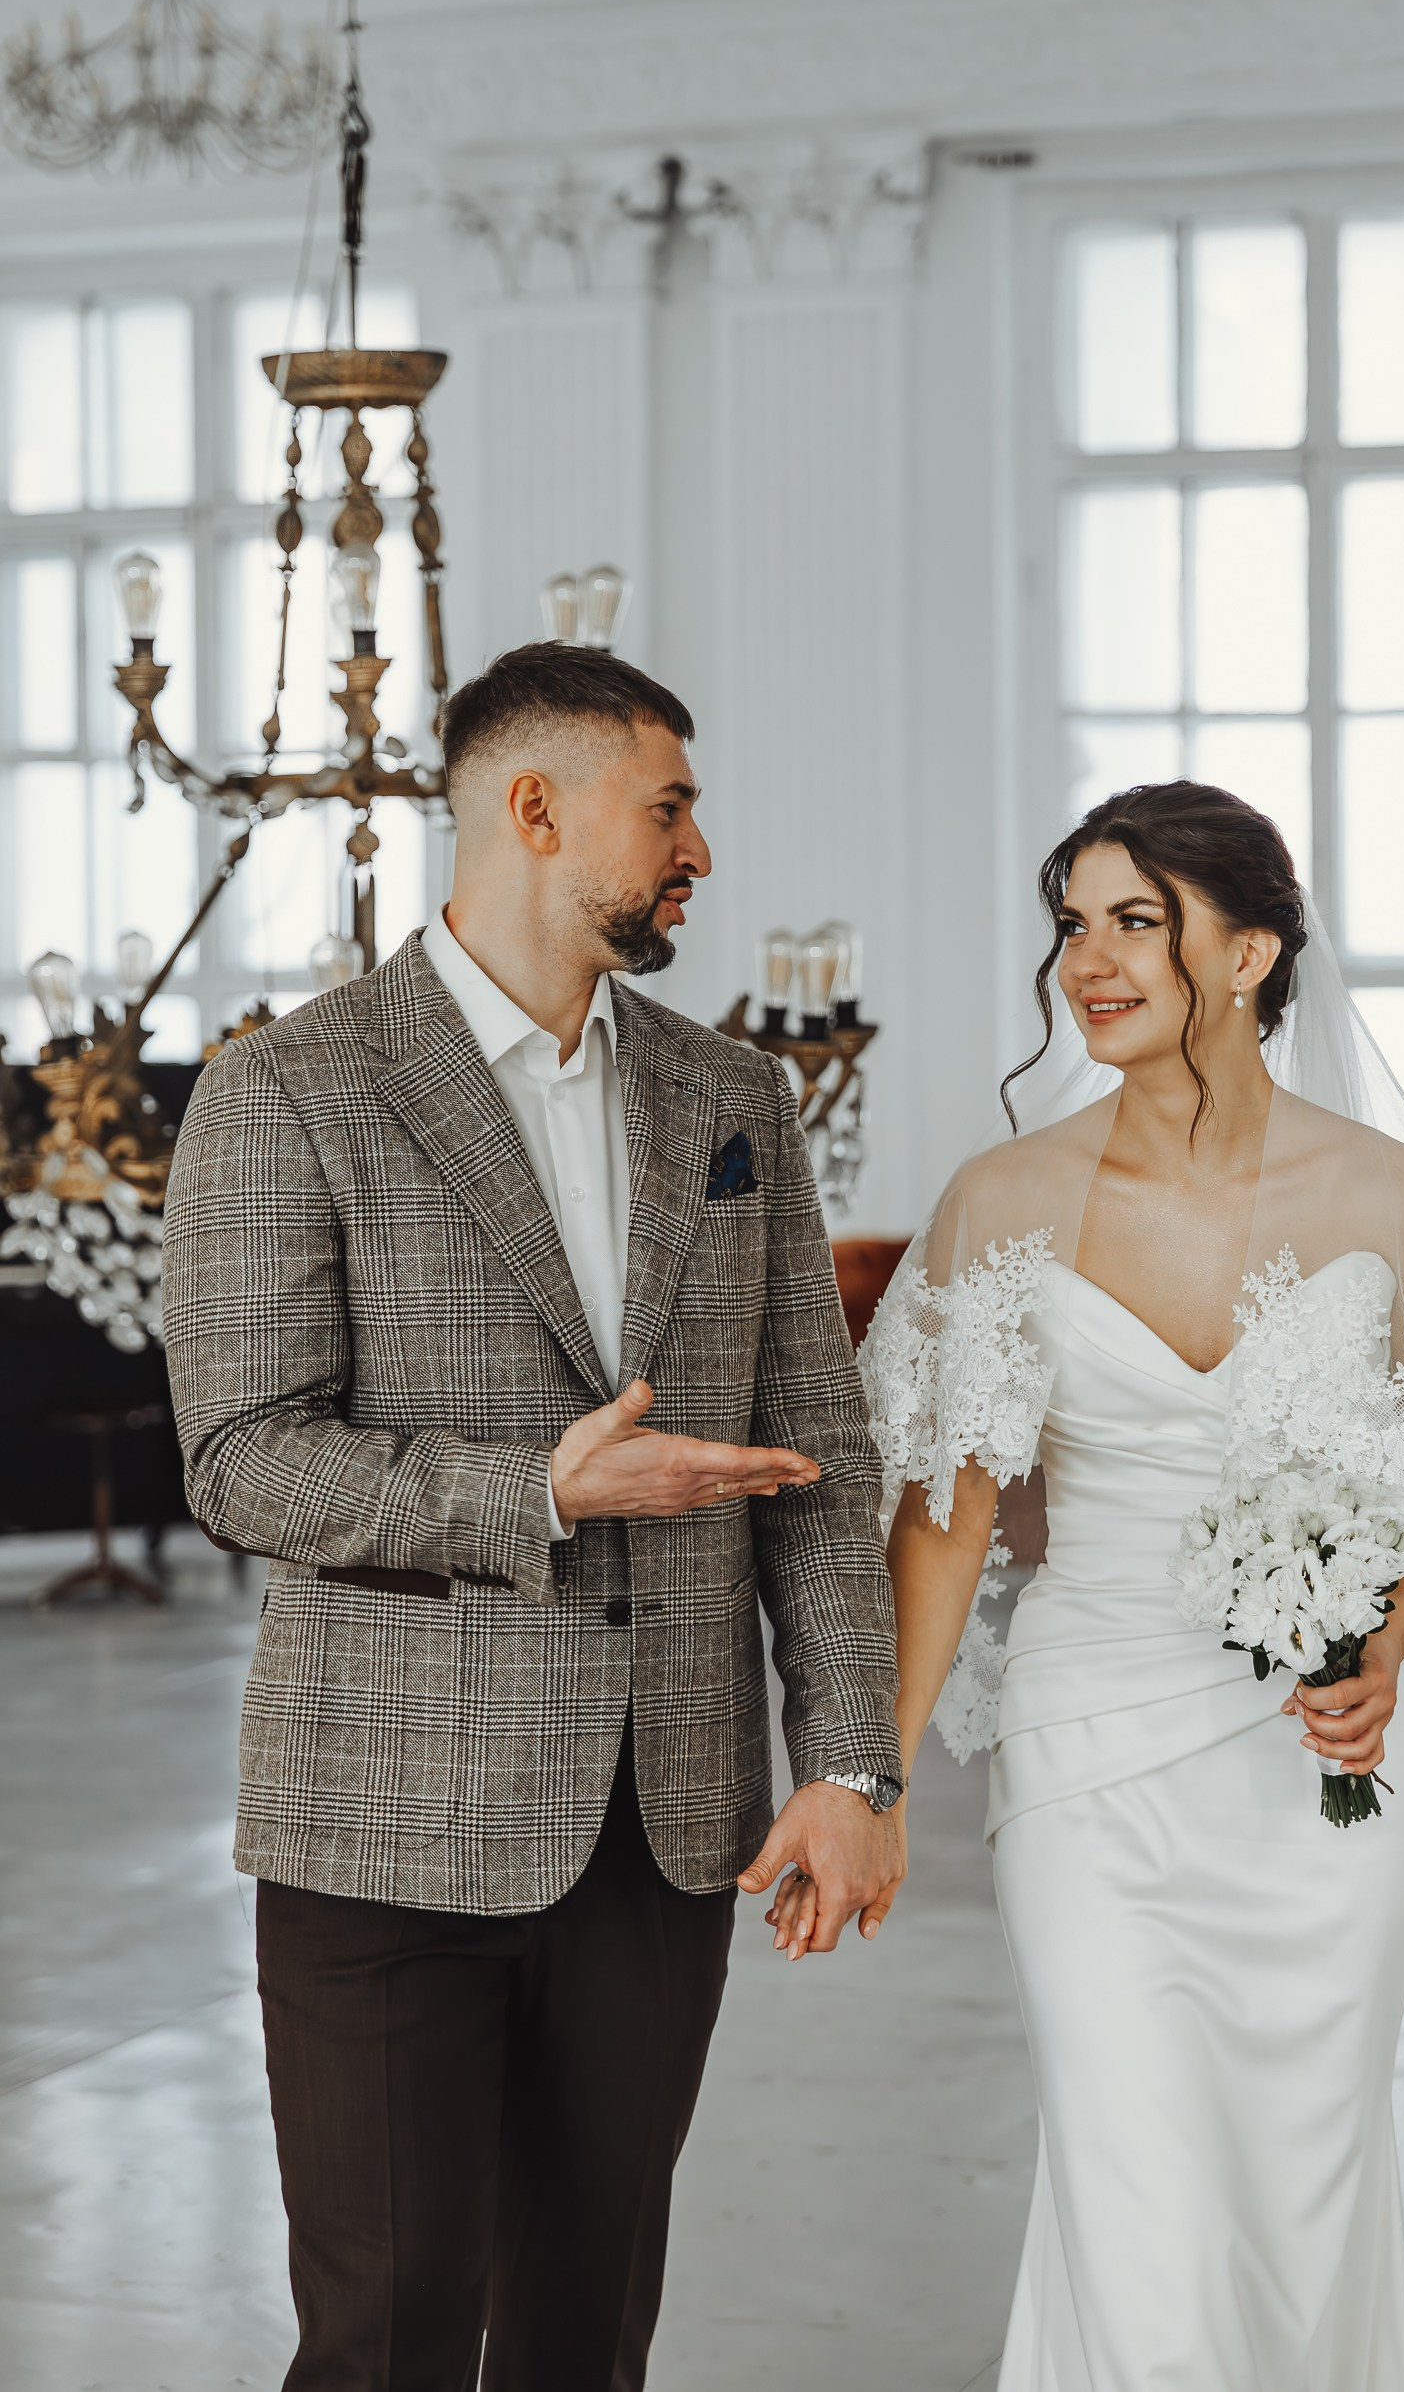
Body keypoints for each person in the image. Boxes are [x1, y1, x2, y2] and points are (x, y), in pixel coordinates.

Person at [161, 642, 905, 2392]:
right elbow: (242, 1461)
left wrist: (853, 1765)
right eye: (670, 809)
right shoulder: (288, 1089)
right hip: (383, 1827)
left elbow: (818, 1452)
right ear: (535, 809)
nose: (699, 852)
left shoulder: (735, 1101)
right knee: (388, 2345)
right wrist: (539, 1491)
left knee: (589, 2340)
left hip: (666, 1829)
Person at [833, 782, 1404, 2392]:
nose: (1088, 962)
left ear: (1253, 951)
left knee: (1302, 2199)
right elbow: (947, 1519)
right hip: (1091, 1755)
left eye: (1137, 921)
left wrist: (1385, 1644)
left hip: (1322, 1787)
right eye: (1073, 925)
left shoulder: (1397, 1199)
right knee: (1135, 2197)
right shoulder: (1004, 1200)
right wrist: (874, 1778)